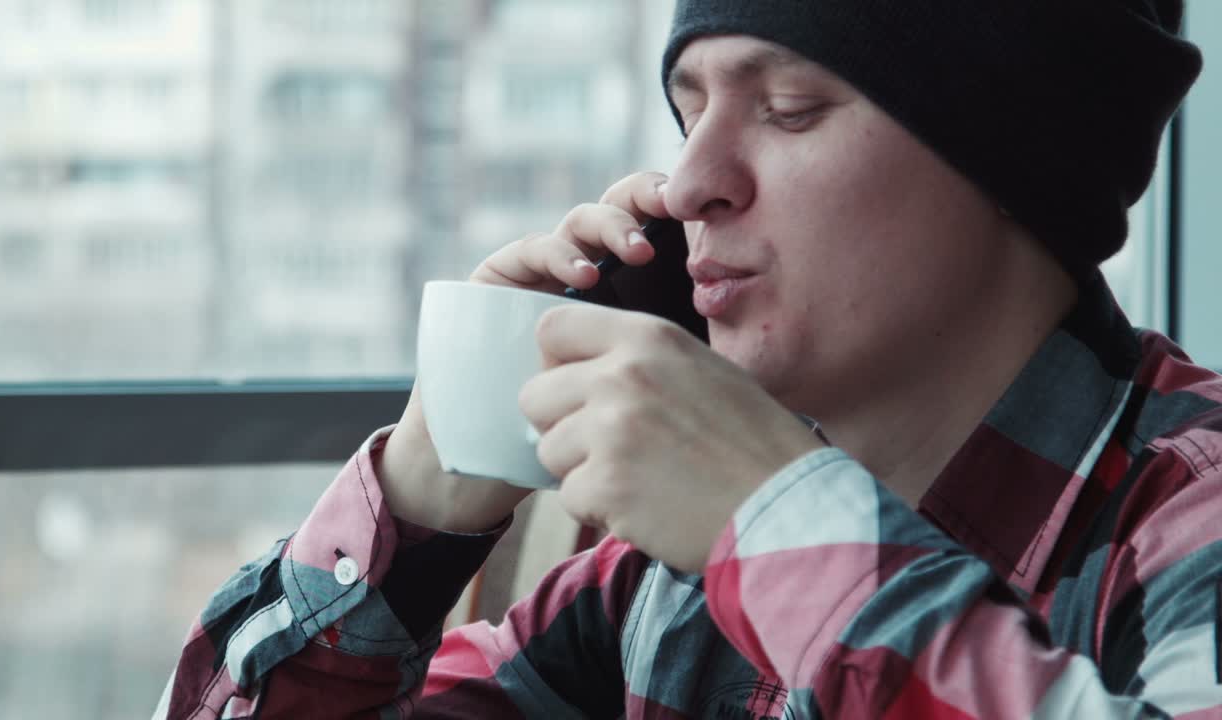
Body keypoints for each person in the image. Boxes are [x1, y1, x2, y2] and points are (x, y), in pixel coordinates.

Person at [156, 1, 1218, 718]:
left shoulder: (1190, 521)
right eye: (688, 112)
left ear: (1019, 159)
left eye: (789, 110)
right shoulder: (654, 579)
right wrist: (419, 494)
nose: (686, 183)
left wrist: (776, 523)